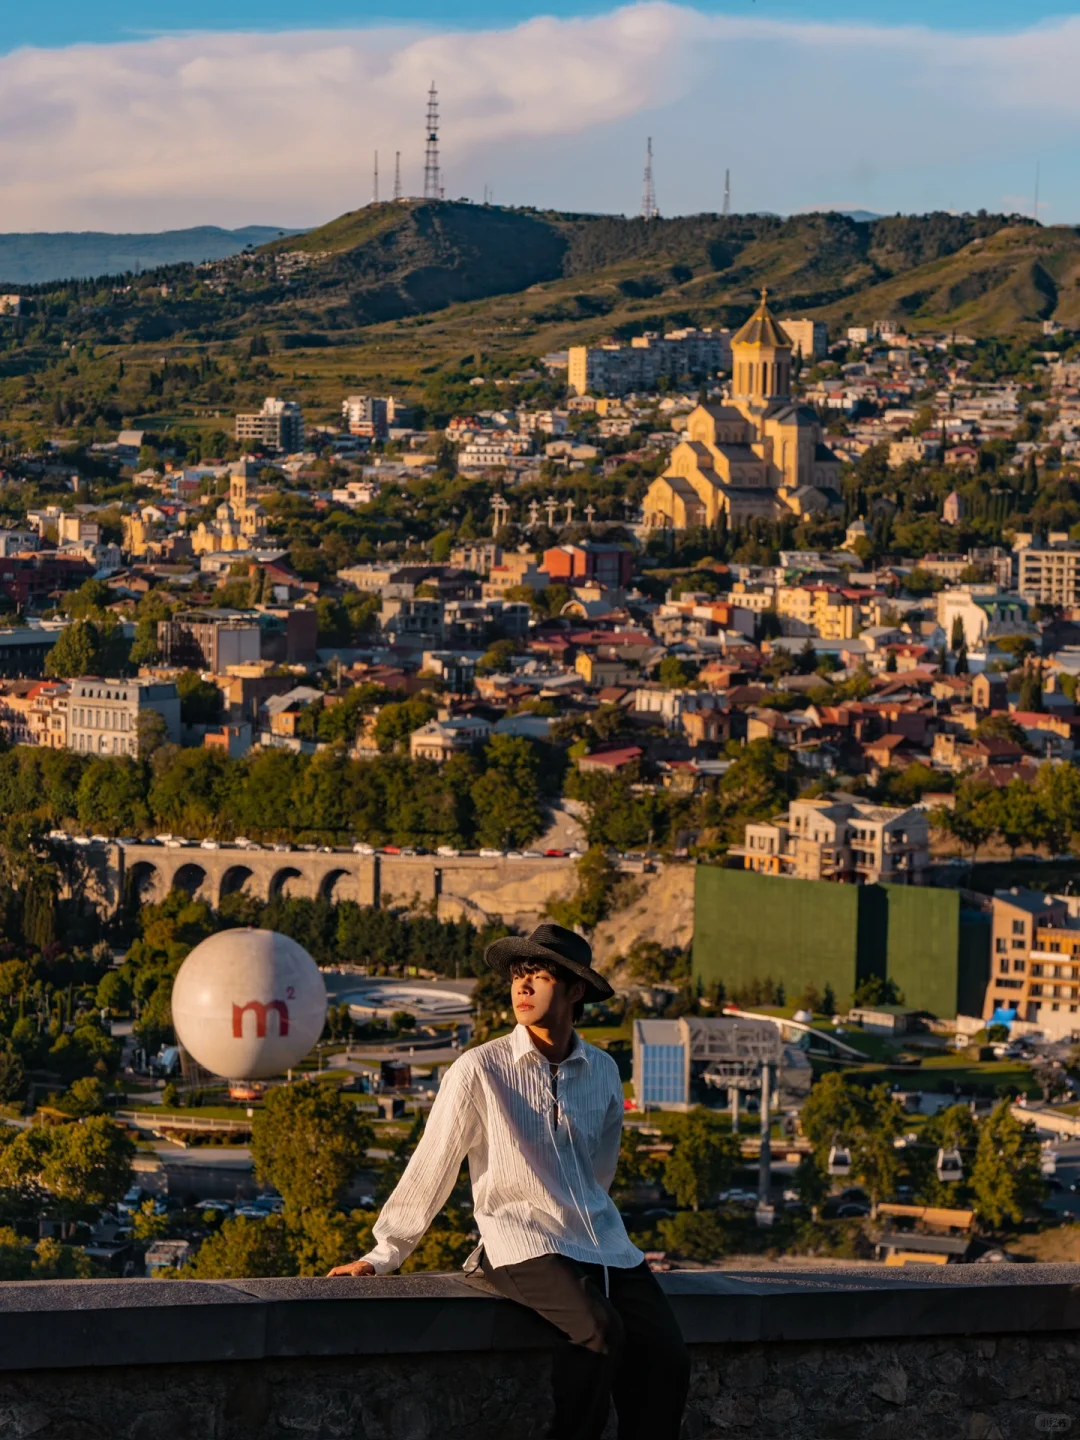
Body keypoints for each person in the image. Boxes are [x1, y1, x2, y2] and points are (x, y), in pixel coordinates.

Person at [327, 922, 690, 1440]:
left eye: (539, 975)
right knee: (598, 1332)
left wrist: (590, 1217)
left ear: (575, 989)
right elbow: (434, 1162)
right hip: (521, 1243)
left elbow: (599, 1170)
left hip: (603, 1244)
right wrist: (383, 1254)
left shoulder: (605, 1071)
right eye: (518, 975)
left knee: (668, 1357)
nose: (521, 987)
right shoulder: (479, 1069)